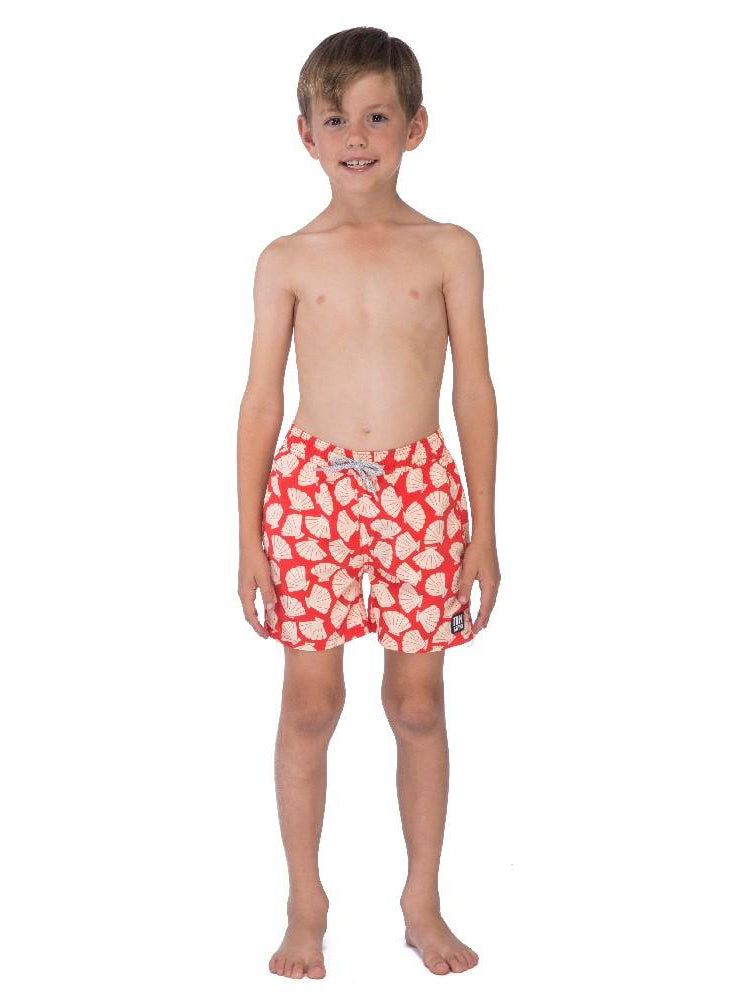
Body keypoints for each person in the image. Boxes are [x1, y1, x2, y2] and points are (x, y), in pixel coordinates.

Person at [237, 26, 500, 980]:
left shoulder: (449, 249)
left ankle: (421, 900)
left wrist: (483, 530)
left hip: (422, 493)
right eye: (336, 118)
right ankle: (305, 903)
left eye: (377, 116)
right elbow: (261, 400)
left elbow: (474, 390)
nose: (357, 136)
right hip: (311, 494)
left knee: (417, 704)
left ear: (415, 127)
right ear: (306, 135)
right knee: (310, 705)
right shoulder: (287, 259)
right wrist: (249, 537)